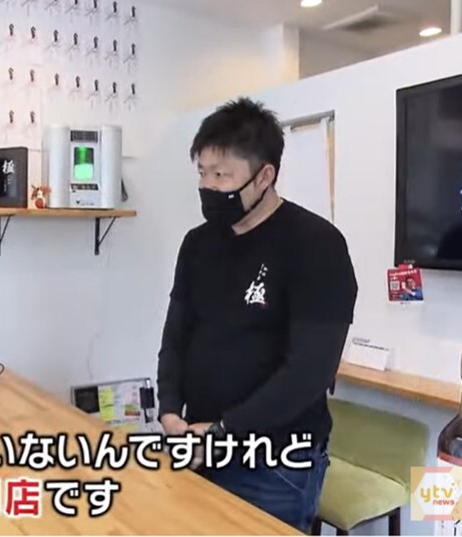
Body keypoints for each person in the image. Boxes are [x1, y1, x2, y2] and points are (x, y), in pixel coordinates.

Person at [155, 97, 357, 533]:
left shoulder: (316, 245)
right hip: (197, 444)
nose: (209, 187)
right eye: (202, 174)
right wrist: (169, 410)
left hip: (274, 464)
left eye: (222, 176)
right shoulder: (197, 244)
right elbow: (176, 335)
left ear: (265, 175)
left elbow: (309, 373)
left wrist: (224, 432)